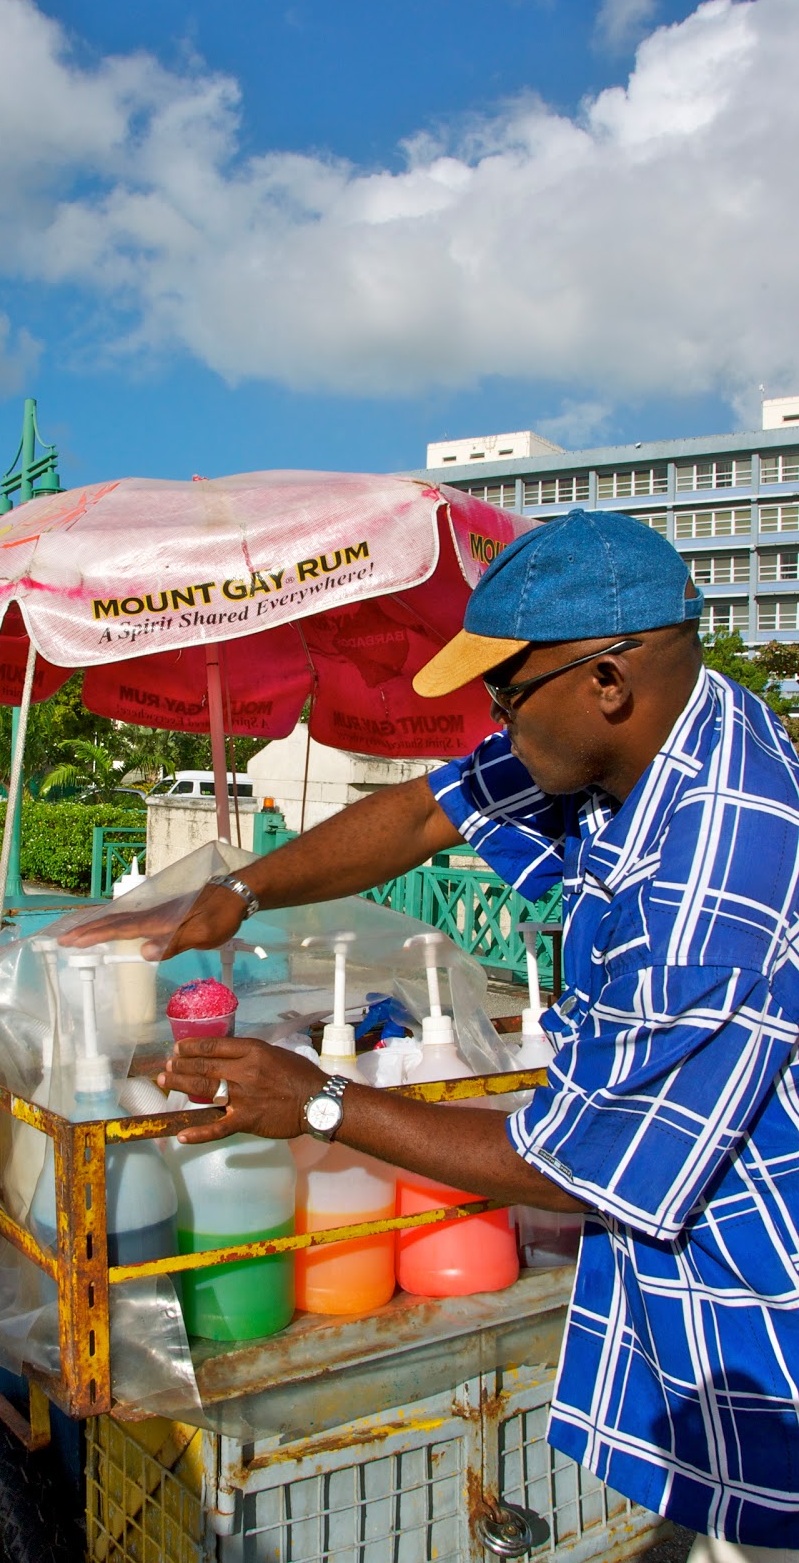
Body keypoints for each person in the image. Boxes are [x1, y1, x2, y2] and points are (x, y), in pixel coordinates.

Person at [63, 510, 799, 1562]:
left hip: (760, 1316)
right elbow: (425, 811)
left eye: (506, 692)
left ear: (606, 680)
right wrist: (236, 892)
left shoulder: (712, 886)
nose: (493, 720)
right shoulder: (661, 726)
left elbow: (569, 1168)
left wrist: (318, 1102)